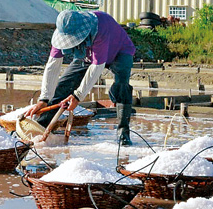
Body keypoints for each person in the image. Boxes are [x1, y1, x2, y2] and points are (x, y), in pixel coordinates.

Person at [26, 8, 137, 144]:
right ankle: (40, 128)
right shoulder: (64, 30)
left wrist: (78, 96)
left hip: (120, 52)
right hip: (87, 55)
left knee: (122, 87)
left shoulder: (101, 26)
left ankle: (123, 133)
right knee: (63, 86)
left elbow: (97, 66)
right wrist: (44, 98)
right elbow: (52, 65)